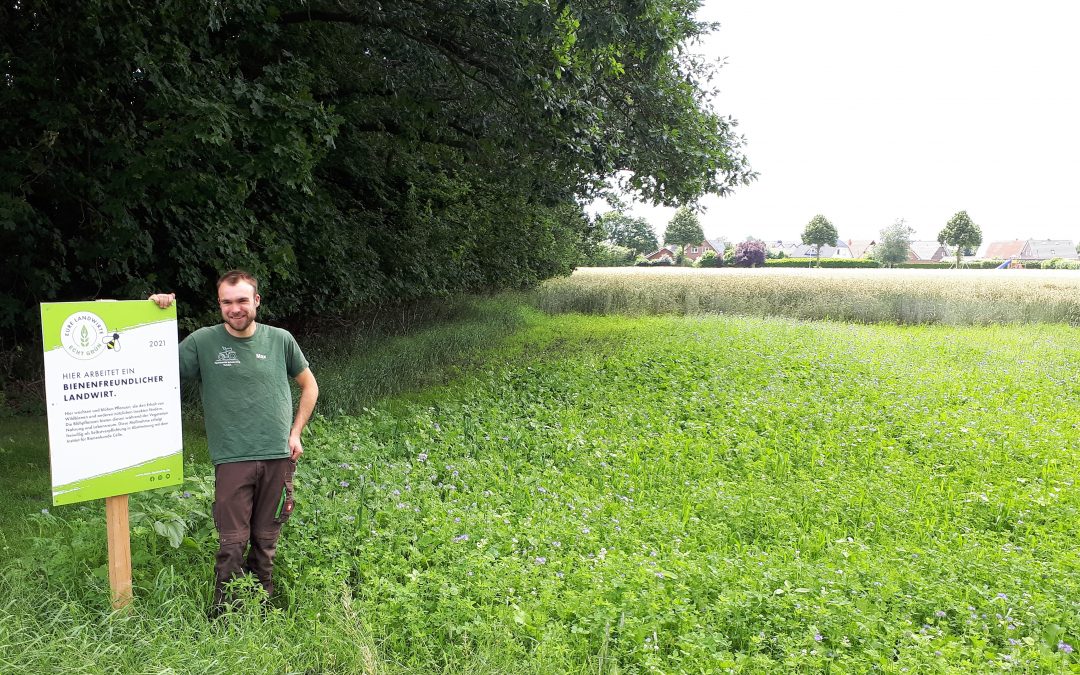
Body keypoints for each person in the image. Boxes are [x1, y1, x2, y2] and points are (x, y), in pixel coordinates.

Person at [150, 270, 318, 612]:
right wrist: (155, 316)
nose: (235, 308)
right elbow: (156, 369)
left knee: (266, 537)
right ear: (220, 305)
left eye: (242, 300)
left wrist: (296, 432)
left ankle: (263, 602)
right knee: (232, 541)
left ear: (256, 300)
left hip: (277, 455)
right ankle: (227, 609)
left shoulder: (280, 340)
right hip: (232, 457)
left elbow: (310, 385)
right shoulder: (203, 342)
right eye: (227, 302)